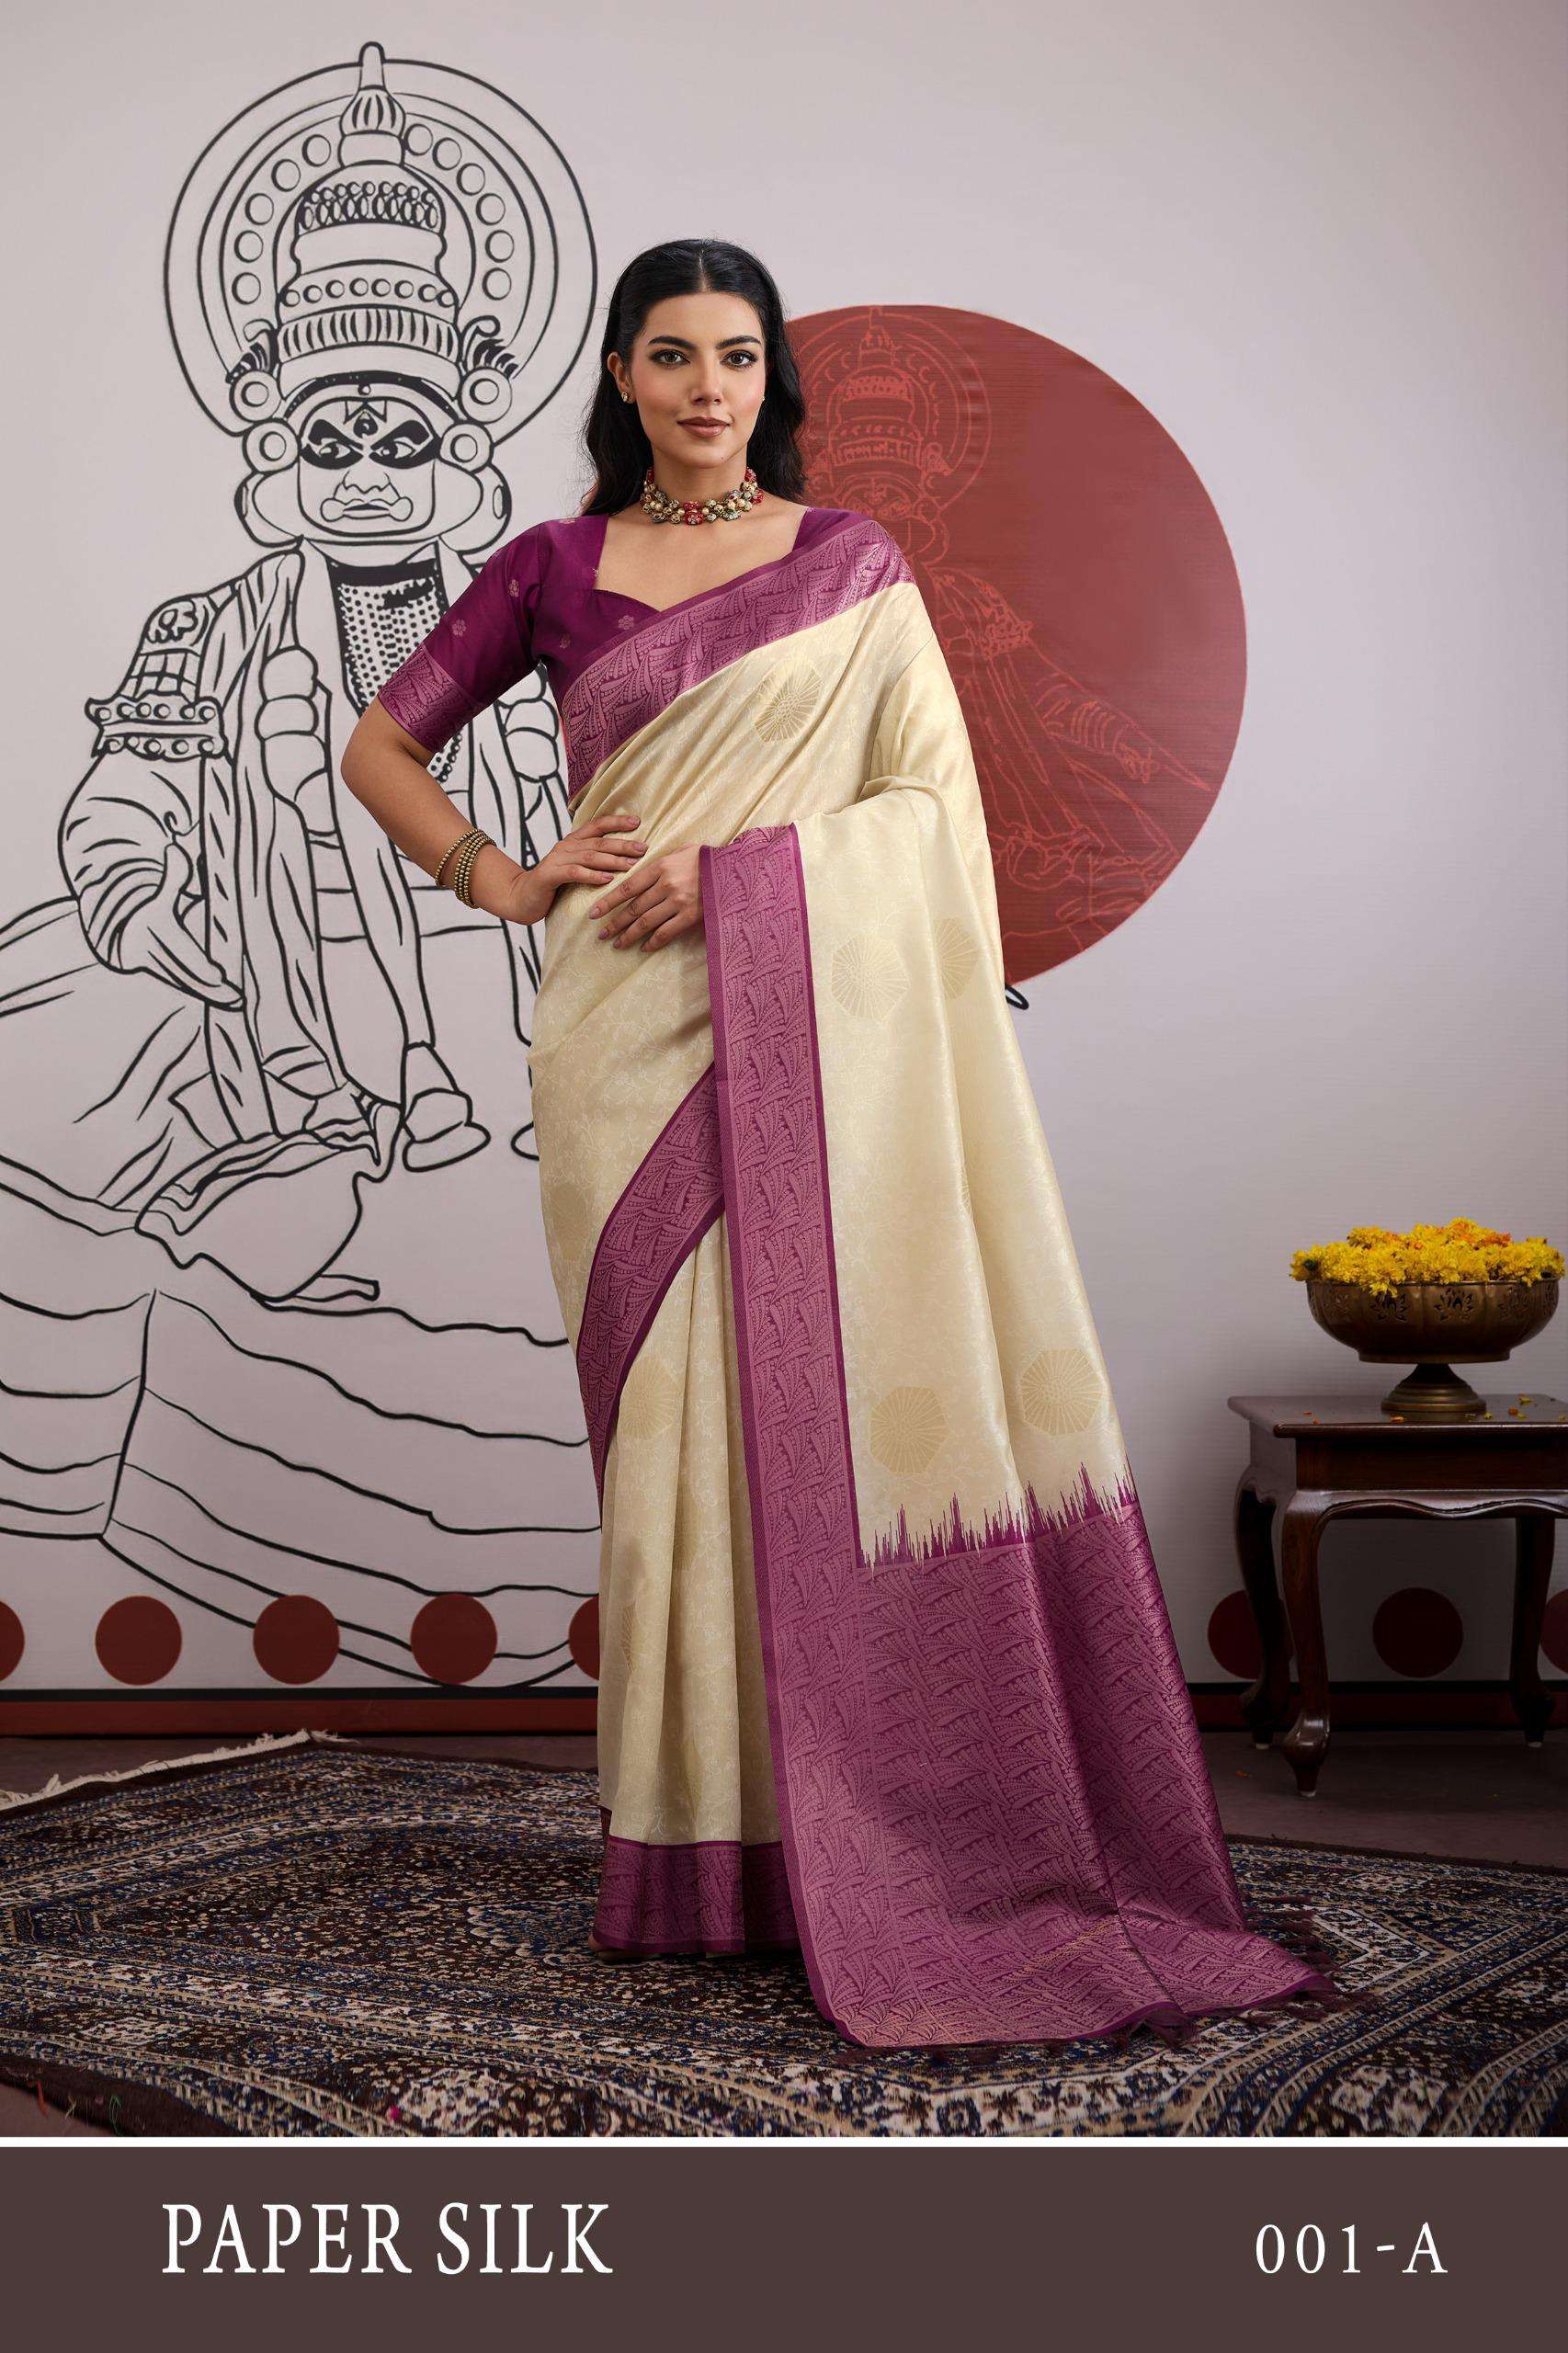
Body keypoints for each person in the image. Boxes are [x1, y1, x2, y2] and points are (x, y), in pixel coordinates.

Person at [339, 238, 1357, 2055]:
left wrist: (738, 875)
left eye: (736, 355)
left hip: (800, 1023)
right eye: (672, 355)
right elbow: (378, 746)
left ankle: (867, 1829)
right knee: (672, 1443)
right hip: (622, 1048)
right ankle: (697, 1855)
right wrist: (504, 876)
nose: (706, 386)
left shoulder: (848, 566)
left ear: (770, 378)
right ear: (623, 375)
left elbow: (927, 822)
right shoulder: (550, 567)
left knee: (815, 1402)